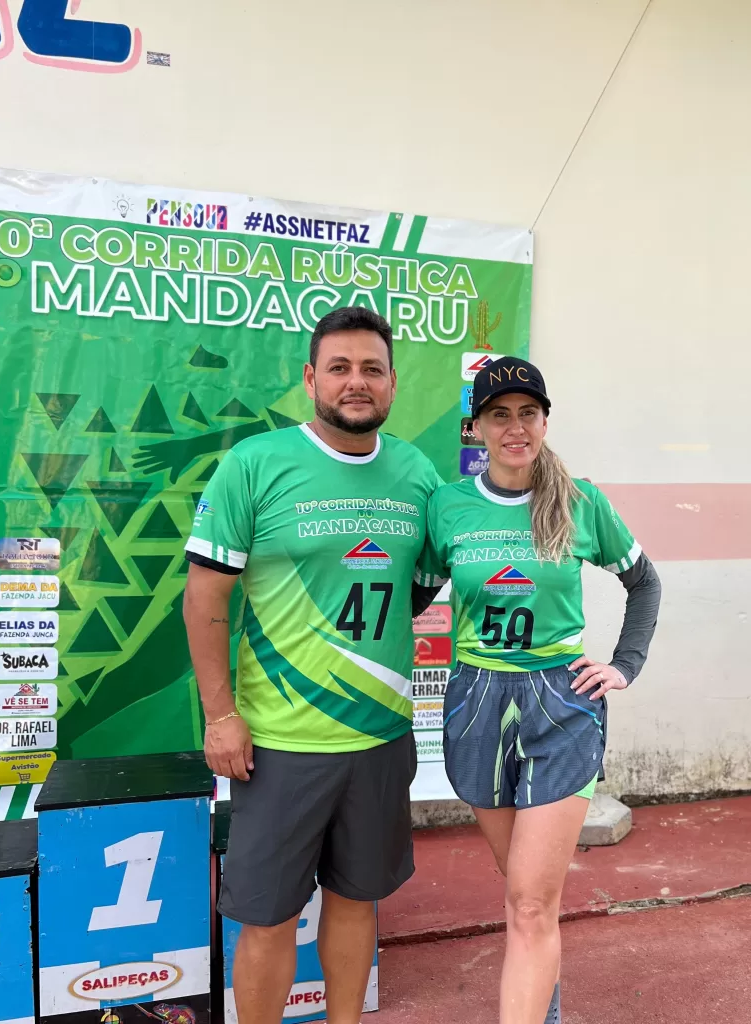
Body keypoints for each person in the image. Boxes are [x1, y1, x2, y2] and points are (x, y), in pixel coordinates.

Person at [182, 307, 443, 1024]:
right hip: (280, 744)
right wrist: (220, 715)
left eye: (372, 369)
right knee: (268, 918)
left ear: (393, 383)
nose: (356, 382)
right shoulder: (254, 464)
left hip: (381, 737)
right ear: (310, 378)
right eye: (340, 367)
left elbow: (415, 589)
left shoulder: (417, 473)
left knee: (357, 902)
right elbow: (204, 598)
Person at [424, 356, 662, 1024]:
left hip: (560, 706)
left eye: (528, 413)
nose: (515, 427)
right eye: (499, 414)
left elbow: (644, 581)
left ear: (545, 421)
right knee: (524, 893)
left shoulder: (581, 501)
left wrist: (624, 664)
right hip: (477, 703)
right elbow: (407, 596)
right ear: (476, 427)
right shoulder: (447, 507)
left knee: (530, 904)